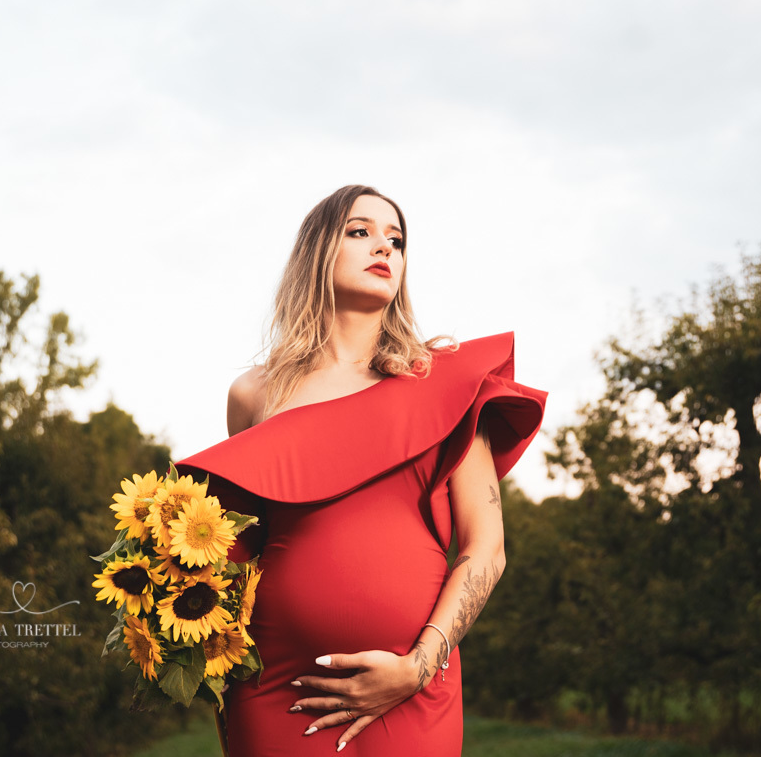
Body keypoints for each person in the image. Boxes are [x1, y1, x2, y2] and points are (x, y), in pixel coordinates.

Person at [173, 184, 546, 756]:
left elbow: (486, 547)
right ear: (318, 251)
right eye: (361, 231)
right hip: (277, 686)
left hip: (410, 687)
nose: (385, 248)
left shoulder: (446, 384)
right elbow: (238, 551)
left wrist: (419, 667)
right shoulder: (254, 394)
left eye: (396, 240)